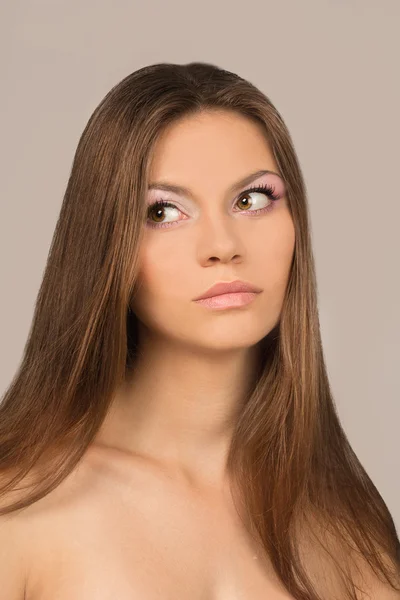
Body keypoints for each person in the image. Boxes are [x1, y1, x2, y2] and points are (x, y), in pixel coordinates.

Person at [0, 62, 399, 600]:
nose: (222, 244)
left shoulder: (350, 522)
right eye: (163, 211)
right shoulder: (19, 509)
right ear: (104, 242)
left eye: (252, 200)